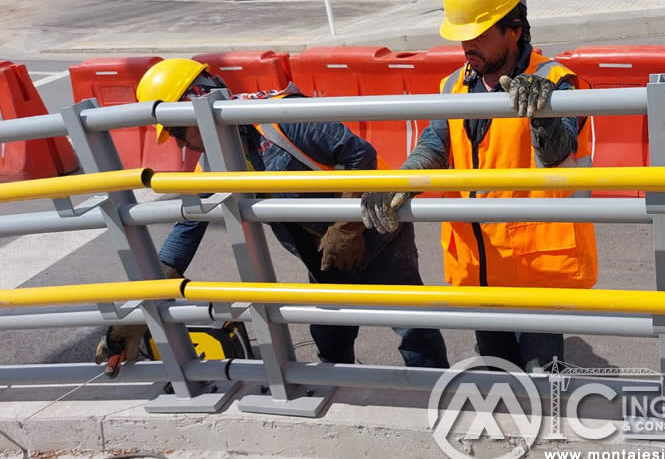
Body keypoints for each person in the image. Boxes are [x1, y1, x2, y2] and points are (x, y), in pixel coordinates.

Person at [96, 58, 449, 374]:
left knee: (411, 327)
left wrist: (346, 228)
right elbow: (186, 232)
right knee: (328, 332)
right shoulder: (215, 163)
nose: (180, 145)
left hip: (377, 231)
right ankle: (336, 385)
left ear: (195, 103)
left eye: (176, 131)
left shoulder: (281, 120)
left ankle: (434, 388)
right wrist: (136, 318)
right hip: (321, 252)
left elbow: (360, 155)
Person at [360, 0, 598, 373]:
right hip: (479, 266)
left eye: (478, 34)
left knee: (545, 380)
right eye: (462, 36)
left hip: (534, 269)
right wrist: (401, 182)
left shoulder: (557, 82)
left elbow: (558, 150)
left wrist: (540, 111)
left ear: (514, 31)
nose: (466, 46)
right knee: (496, 373)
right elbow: (435, 145)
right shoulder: (453, 85)